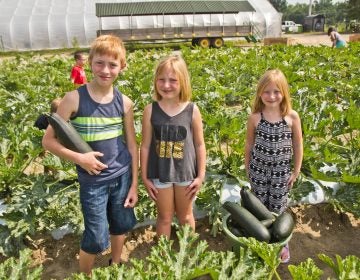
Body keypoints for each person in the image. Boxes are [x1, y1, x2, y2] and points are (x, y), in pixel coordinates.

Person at [42, 35, 138, 275]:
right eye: (99, 63)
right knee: (95, 237)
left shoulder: (125, 103)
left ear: (122, 67)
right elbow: (48, 141)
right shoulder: (73, 99)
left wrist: (134, 184)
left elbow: (132, 145)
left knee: (121, 225)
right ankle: (86, 274)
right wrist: (80, 159)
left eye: (112, 65)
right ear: (90, 63)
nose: (105, 70)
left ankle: (115, 263)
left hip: (122, 176)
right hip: (92, 181)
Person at [140, 55, 206, 239]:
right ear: (155, 81)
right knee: (164, 217)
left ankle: (188, 253)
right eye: (161, 80)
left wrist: (200, 176)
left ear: (182, 82)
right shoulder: (150, 110)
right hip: (160, 174)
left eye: (173, 80)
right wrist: (144, 176)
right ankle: (163, 257)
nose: (166, 85)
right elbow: (144, 146)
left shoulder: (192, 110)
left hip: (186, 174)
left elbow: (200, 145)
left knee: (185, 216)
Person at [244, 69, 303, 264]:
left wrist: (295, 170)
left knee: (278, 208)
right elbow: (249, 144)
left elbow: (297, 144)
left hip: (281, 173)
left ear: (284, 93)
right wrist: (248, 168)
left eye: (277, 92)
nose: (271, 96)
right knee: (259, 208)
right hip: (259, 170)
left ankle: (280, 243)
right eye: (267, 92)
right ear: (260, 93)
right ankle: (262, 242)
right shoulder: (255, 117)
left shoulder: (291, 117)